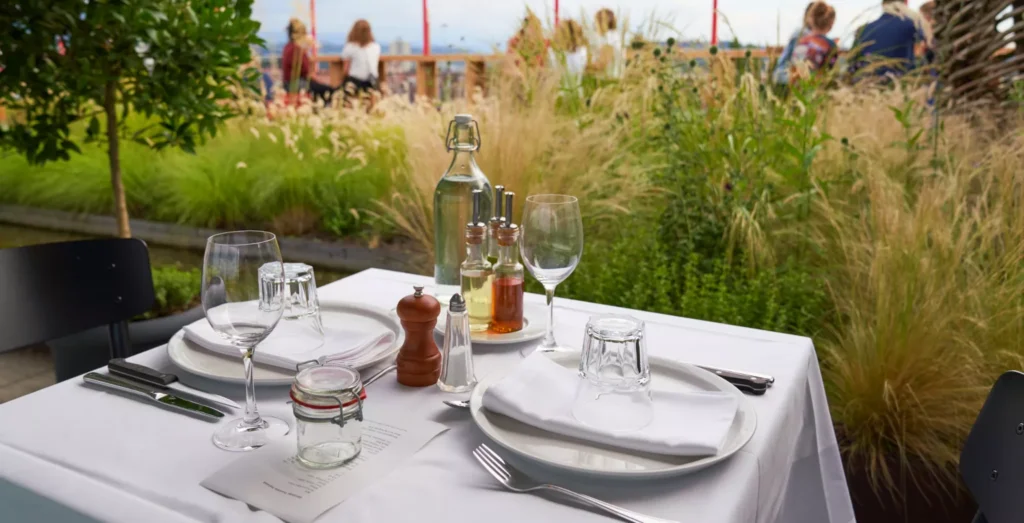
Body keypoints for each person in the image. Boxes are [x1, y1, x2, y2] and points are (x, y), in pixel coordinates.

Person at [849, 0, 928, 77]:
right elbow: (922, 57)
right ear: (906, 2)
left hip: (862, 85)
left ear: (883, 4)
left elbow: (851, 66)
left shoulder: (862, 30)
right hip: (898, 84)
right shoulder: (913, 24)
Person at [772, 3, 819, 85]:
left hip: (784, 75)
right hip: (786, 77)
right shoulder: (803, 34)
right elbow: (798, 63)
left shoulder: (807, 34)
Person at [790, 2, 838, 78]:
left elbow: (793, 67)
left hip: (798, 85)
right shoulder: (830, 45)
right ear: (831, 23)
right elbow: (829, 71)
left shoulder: (802, 41)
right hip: (816, 85)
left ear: (811, 20)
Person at [340, 19, 382, 102]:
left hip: (355, 82)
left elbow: (345, 70)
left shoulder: (350, 47)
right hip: (372, 82)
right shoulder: (376, 47)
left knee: (341, 93)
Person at [549, 19, 589, 91]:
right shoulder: (582, 51)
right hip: (577, 92)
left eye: (559, 30)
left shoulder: (556, 54)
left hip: (562, 93)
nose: (555, 32)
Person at [281, 18, 311, 94]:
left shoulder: (288, 46)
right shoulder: (296, 49)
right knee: (325, 89)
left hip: (288, 84)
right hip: (295, 85)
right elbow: (306, 70)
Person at [594, 8, 625, 77]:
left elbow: (602, 63)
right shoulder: (613, 35)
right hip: (613, 77)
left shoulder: (609, 37)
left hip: (609, 78)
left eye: (597, 21)